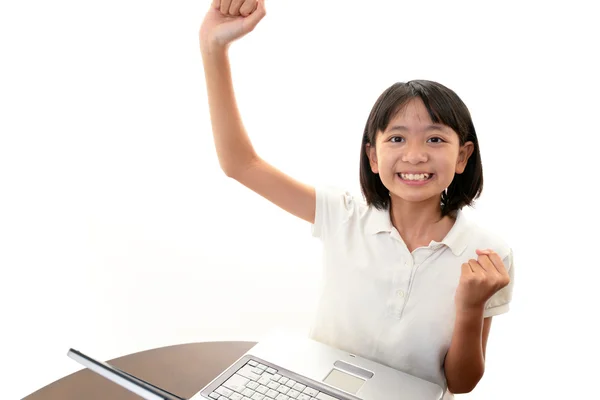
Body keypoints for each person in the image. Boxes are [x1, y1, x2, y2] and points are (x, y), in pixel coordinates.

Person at [198, 0, 514, 397]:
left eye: (435, 139)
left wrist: (469, 307)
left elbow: (461, 383)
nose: (415, 155)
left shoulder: (488, 255)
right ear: (373, 156)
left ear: (463, 155)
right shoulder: (343, 215)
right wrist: (213, 48)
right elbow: (240, 164)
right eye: (397, 138)